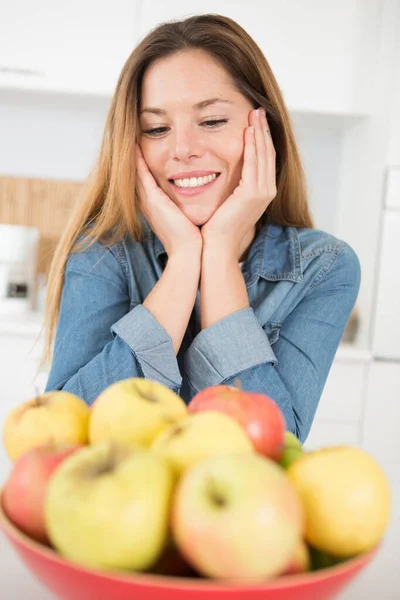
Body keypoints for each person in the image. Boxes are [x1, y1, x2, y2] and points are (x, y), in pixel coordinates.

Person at [42, 13, 361, 443]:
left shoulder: (325, 268)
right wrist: (184, 261)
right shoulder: (104, 252)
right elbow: (61, 441)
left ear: (263, 127)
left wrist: (220, 254)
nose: (183, 150)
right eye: (156, 128)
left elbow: (268, 449)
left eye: (211, 121)